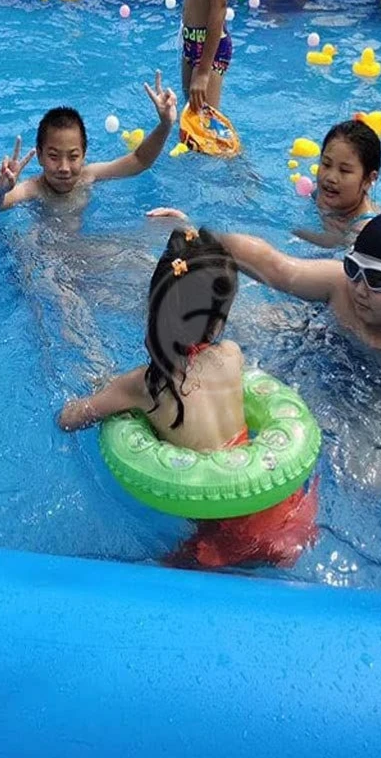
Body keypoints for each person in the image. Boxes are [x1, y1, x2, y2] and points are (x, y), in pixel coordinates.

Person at [58, 228, 317, 569]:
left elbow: (71, 418)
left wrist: (92, 397)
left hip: (228, 535)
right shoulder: (231, 354)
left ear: (155, 307)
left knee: (155, 573)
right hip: (291, 509)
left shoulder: (141, 385)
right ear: (220, 319)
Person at [220, 211, 381, 380]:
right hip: (322, 343)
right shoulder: (340, 283)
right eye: (353, 268)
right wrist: (202, 240)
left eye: (378, 278)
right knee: (240, 323)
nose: (360, 288)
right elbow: (276, 267)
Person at [0, 71, 177, 212]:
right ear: (39, 156)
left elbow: (139, 160)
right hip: (45, 255)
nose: (64, 167)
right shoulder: (34, 189)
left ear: (84, 154)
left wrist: (166, 124)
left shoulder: (88, 176)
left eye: (73, 156)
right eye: (53, 156)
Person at [294, 119, 381, 248]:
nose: (331, 177)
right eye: (326, 164)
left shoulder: (364, 232)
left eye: (344, 170)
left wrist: (295, 233)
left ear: (368, 179)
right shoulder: (317, 192)